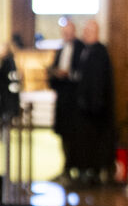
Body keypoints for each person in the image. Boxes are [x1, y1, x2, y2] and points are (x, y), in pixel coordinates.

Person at [75, 20, 117, 185]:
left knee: (96, 142)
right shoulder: (87, 51)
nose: (85, 34)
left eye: (88, 31)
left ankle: (95, 172)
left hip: (96, 109)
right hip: (87, 108)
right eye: (85, 31)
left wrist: (94, 104)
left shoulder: (99, 53)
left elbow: (98, 82)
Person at [48, 18, 85, 183]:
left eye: (69, 32)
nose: (66, 34)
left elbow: (83, 74)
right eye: (64, 32)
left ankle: (75, 169)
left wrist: (68, 74)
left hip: (75, 101)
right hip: (62, 99)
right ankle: (65, 168)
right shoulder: (61, 49)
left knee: (75, 137)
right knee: (63, 135)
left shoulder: (81, 48)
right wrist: (54, 73)